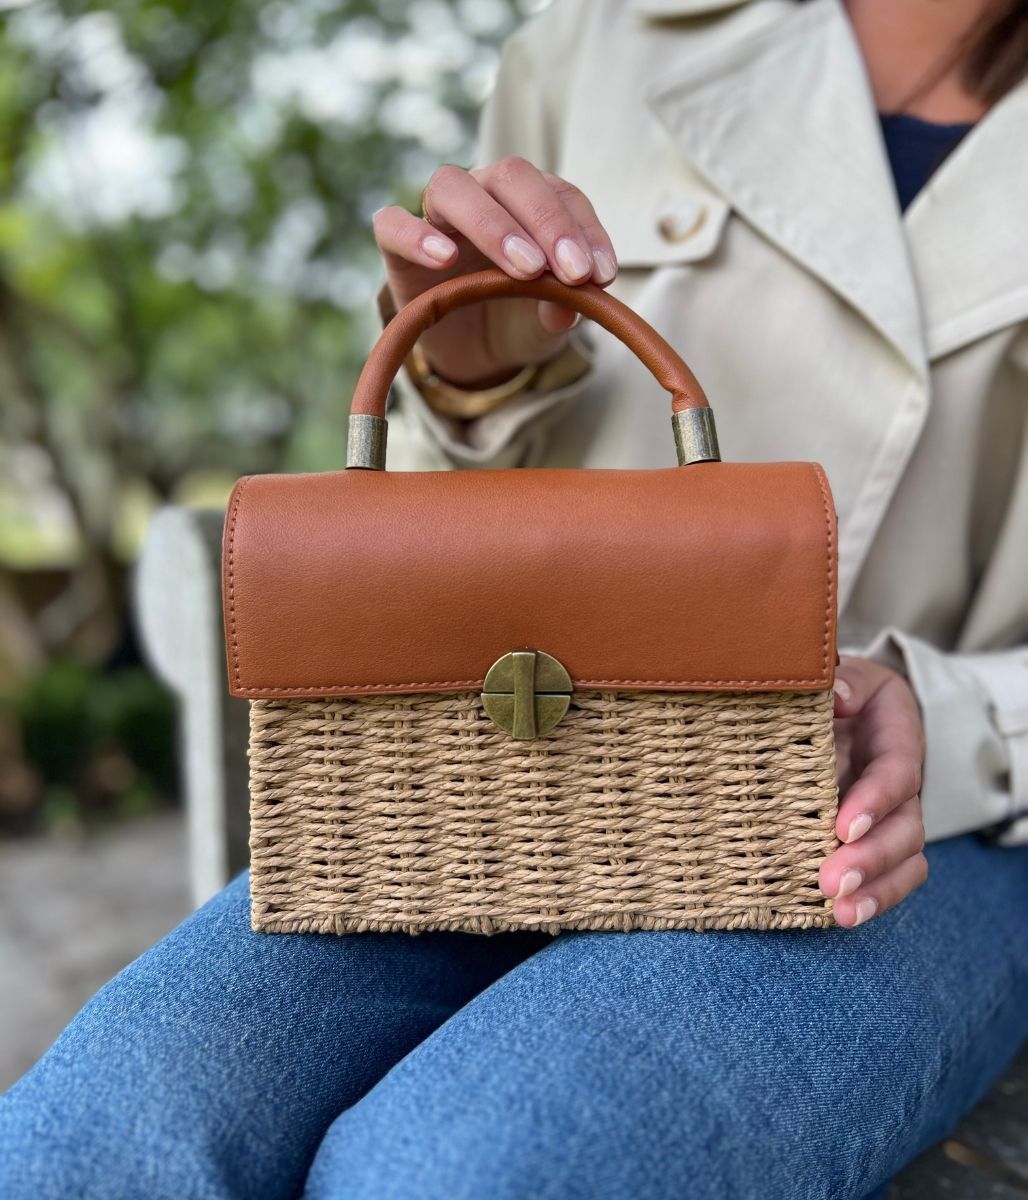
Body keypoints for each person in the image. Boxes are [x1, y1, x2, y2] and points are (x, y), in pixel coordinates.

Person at [2, 1, 1026, 1197]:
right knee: (85, 1143)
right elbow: (423, 543)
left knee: (466, 1170)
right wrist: (474, 371)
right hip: (452, 801)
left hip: (904, 830)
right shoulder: (601, 41)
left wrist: (949, 716)